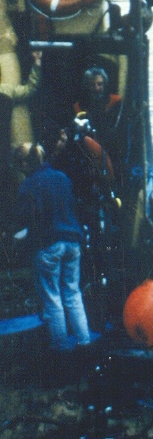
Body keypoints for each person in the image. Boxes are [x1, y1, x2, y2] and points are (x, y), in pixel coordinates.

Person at [13, 142, 91, 350]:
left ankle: (62, 351)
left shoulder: (29, 184)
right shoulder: (62, 177)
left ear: (24, 164)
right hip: (72, 242)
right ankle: (85, 343)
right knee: (73, 294)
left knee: (52, 298)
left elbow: (26, 218)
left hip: (49, 245)